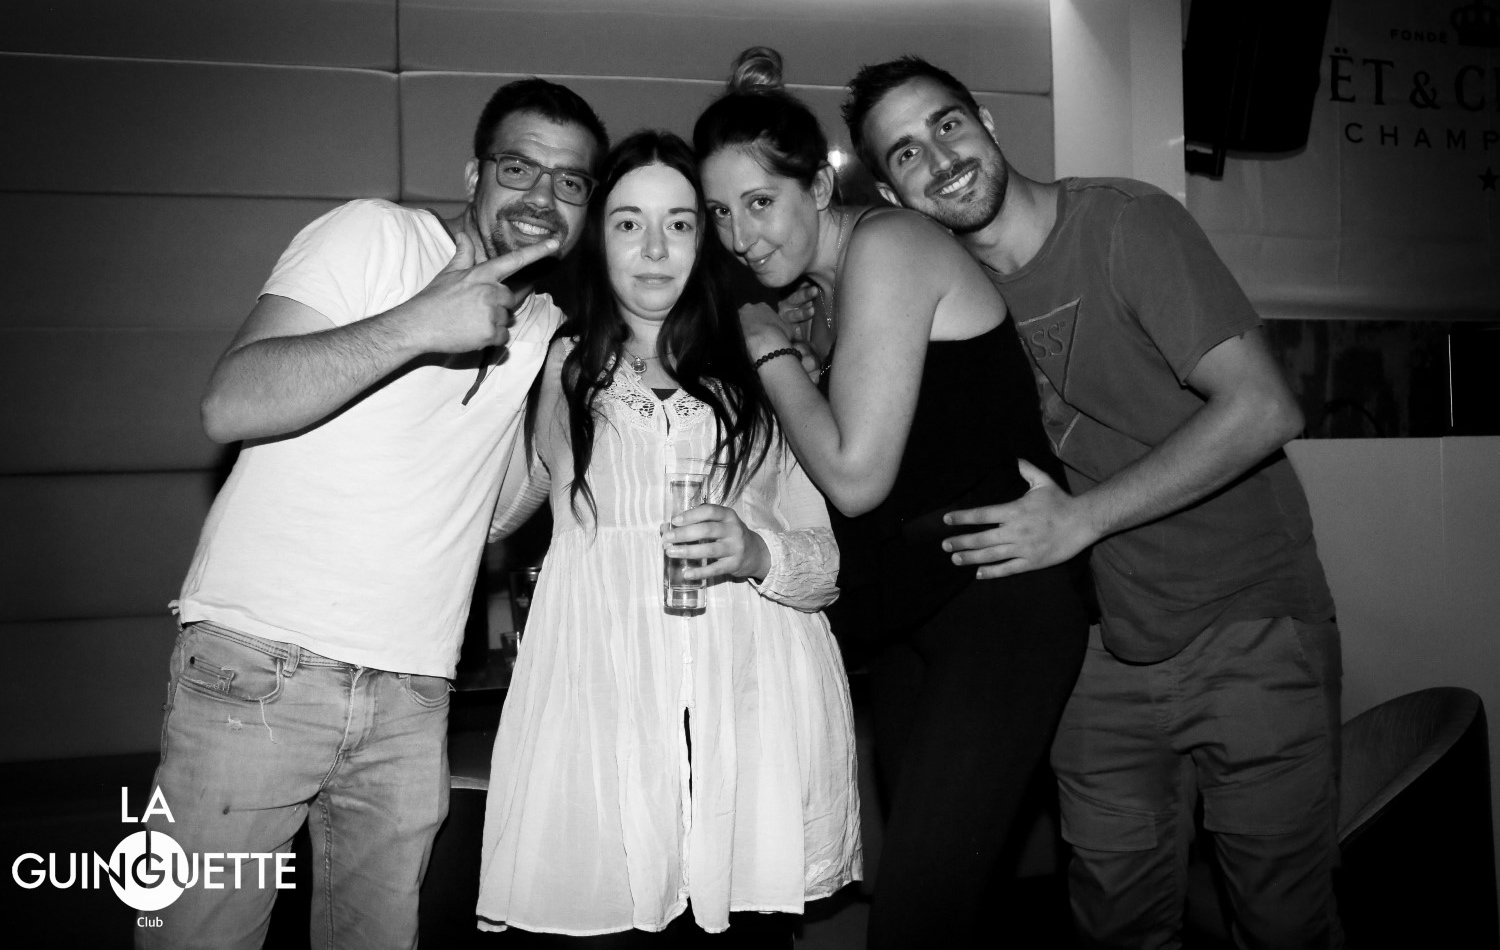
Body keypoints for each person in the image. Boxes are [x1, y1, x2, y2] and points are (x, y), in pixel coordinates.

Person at [824, 55, 1343, 948]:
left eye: (947, 124)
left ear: (986, 120)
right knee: (1117, 926)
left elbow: (1265, 408)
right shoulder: (935, 291)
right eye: (905, 153)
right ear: (889, 191)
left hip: (1244, 620)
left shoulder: (1123, 224)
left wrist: (1081, 520)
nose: (940, 159)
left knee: (1281, 921)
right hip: (1098, 655)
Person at [141, 79, 608, 950]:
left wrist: (554, 418)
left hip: (412, 694)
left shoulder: (541, 325)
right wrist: (417, 322)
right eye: (519, 167)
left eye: (570, 181)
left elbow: (487, 516)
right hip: (260, 666)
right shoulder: (375, 236)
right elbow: (229, 403)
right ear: (474, 174)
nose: (542, 197)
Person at [696, 48, 1091, 949]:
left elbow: (856, 475)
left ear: (819, 187)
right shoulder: (829, 292)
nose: (740, 236)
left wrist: (766, 345)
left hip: (996, 605)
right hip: (912, 620)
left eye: (760, 202)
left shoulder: (891, 244)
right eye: (719, 212)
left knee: (916, 917)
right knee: (935, 912)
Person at [473, 130, 861, 947]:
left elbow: (826, 564)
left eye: (679, 224)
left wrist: (757, 551)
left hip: (746, 709)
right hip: (607, 707)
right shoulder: (562, 362)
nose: (654, 248)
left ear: (705, 238)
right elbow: (498, 515)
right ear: (596, 237)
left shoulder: (763, 367)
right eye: (628, 223)